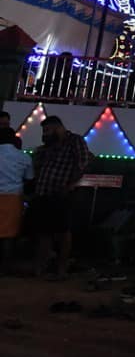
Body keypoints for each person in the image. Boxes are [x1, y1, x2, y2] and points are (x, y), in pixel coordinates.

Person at [30, 115, 90, 279]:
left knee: (63, 232)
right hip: (43, 193)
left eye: (47, 130)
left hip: (61, 194)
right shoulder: (49, 146)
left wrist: (69, 186)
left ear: (58, 127)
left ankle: (61, 269)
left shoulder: (75, 141)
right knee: (44, 232)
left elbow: (82, 164)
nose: (45, 134)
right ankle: (41, 267)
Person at [0, 128, 35, 266]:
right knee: (8, 234)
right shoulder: (23, 157)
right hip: (13, 198)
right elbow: (29, 178)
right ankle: (5, 267)